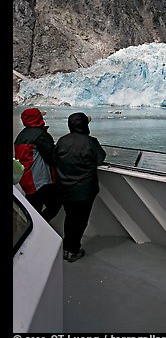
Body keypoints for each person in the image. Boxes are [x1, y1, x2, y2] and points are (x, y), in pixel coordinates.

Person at [54, 112, 106, 262]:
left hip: (65, 189)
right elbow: (100, 158)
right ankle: (73, 250)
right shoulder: (90, 142)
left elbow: (54, 157)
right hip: (84, 190)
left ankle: (66, 248)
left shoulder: (62, 141)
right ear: (85, 125)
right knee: (81, 220)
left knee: (70, 217)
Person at [14, 107, 62, 222]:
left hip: (26, 180)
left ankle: (35, 229)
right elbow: (52, 157)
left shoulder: (21, 136)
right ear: (37, 118)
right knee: (55, 205)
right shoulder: (40, 135)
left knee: (34, 210)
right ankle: (40, 227)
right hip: (40, 180)